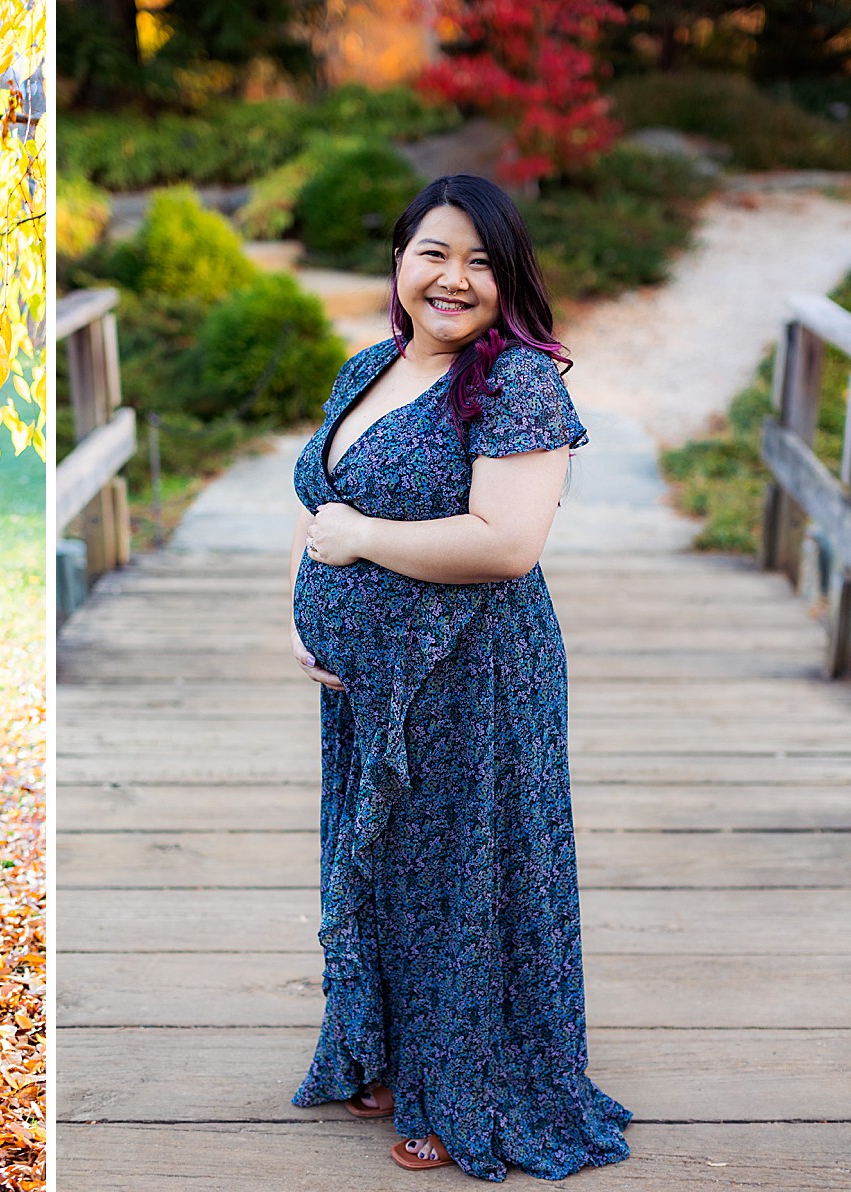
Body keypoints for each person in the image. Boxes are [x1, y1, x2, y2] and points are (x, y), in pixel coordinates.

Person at [287, 174, 632, 1180]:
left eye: (481, 260)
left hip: (473, 677)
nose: (454, 277)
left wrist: (357, 540)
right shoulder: (365, 370)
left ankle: (466, 1084)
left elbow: (506, 542)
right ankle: (396, 1052)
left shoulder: (518, 383)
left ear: (507, 277)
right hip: (371, 685)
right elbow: (322, 508)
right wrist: (301, 615)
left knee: (462, 879)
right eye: (434, 251)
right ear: (399, 260)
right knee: (386, 867)